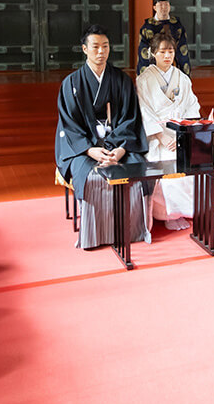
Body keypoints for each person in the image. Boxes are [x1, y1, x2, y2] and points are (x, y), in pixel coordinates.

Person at [57, 24, 152, 250]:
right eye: (96, 47)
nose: (101, 51)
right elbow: (69, 125)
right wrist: (90, 150)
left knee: (138, 172)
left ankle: (133, 230)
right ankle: (95, 235)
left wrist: (119, 150)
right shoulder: (71, 84)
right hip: (85, 149)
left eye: (106, 46)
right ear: (84, 49)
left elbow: (131, 119)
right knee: (92, 178)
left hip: (119, 145)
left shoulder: (121, 80)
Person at [135, 29, 214, 230]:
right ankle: (168, 214)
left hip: (181, 133)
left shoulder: (182, 78)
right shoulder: (144, 80)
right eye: (163, 52)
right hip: (157, 135)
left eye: (171, 52)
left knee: (198, 159)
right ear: (153, 53)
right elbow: (143, 111)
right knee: (169, 163)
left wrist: (186, 135)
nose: (167, 56)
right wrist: (161, 137)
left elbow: (192, 107)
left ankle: (195, 208)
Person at [136, 0, 191, 75]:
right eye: (160, 5)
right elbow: (144, 54)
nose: (164, 7)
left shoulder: (177, 25)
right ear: (154, 7)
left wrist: (184, 76)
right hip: (153, 69)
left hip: (172, 68)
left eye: (166, 4)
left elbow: (182, 52)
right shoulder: (147, 27)